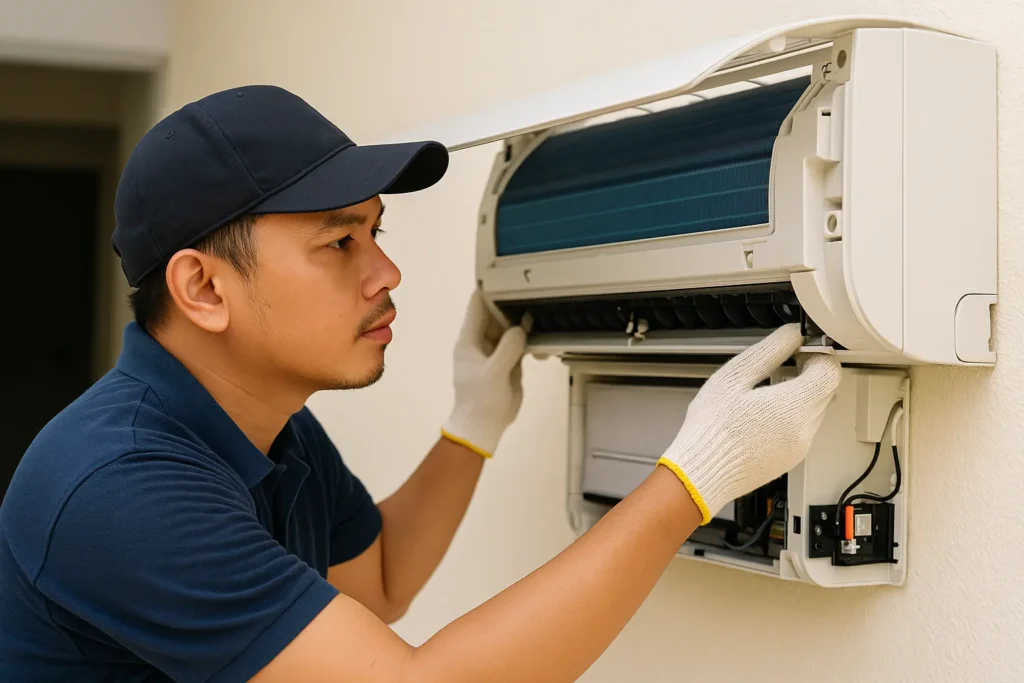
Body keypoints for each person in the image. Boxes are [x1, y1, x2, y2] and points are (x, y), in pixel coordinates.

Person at [0, 85, 842, 682]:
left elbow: (381, 582)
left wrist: (470, 430)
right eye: (340, 243)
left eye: (377, 231)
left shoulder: (269, 422)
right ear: (203, 289)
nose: (387, 271)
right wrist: (692, 480)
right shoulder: (119, 483)